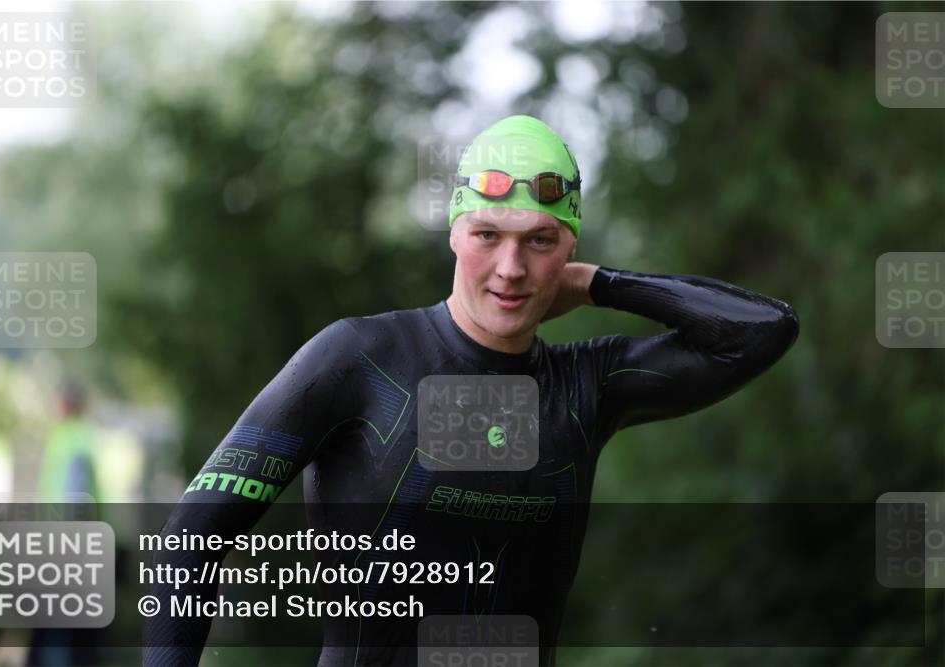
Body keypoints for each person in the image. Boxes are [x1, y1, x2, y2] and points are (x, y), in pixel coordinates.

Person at [143, 115, 798, 666]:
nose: (511, 269)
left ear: (569, 245)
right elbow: (190, 535)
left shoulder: (586, 386)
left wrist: (600, 282)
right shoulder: (360, 359)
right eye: (488, 235)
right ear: (455, 231)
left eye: (539, 242)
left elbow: (764, 330)